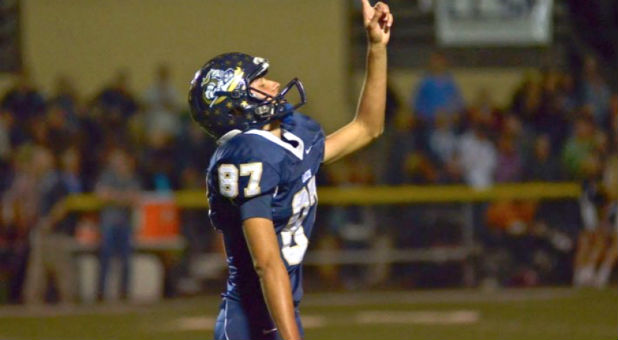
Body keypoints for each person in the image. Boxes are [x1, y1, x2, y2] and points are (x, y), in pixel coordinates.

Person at [187, 1, 392, 339]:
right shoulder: (246, 155)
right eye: (258, 84)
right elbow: (266, 263)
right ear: (234, 106)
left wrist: (376, 48)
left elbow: (368, 127)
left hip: (281, 311)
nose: (273, 84)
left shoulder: (293, 133)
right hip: (248, 323)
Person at [95, 147, 141, 301]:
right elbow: (102, 195)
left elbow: (135, 199)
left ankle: (124, 293)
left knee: (126, 260)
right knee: (106, 258)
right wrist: (123, 198)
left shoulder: (130, 178)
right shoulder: (107, 176)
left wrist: (114, 197)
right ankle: (100, 293)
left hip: (125, 224)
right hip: (109, 223)